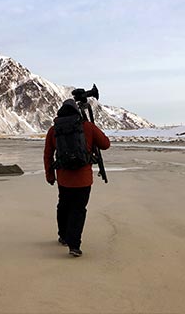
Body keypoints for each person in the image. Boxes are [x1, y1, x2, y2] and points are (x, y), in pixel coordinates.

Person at [42, 99, 110, 258]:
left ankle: (63, 236)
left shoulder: (54, 130)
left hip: (64, 178)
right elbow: (105, 144)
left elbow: (47, 155)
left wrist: (50, 175)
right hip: (83, 179)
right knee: (78, 210)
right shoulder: (87, 127)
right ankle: (74, 245)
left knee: (63, 206)